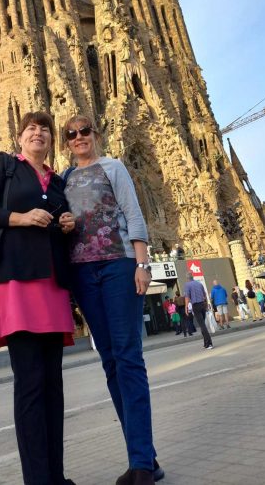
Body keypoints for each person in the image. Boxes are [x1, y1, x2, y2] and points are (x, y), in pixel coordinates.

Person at [0, 111, 77, 485]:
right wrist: (22, 217)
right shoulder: (5, 166)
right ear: (20, 137)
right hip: (17, 285)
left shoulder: (58, 181)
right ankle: (37, 479)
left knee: (53, 387)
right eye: (31, 128)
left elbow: (61, 225)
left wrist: (67, 223)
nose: (38, 133)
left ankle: (56, 476)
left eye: (45, 129)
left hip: (53, 287)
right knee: (30, 386)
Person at [62, 114, 163, 485]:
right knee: (110, 363)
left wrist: (142, 264)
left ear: (95, 134)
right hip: (83, 274)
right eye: (71, 134)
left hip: (119, 265)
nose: (79, 137)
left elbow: (133, 214)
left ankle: (141, 464)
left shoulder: (113, 167)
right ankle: (145, 456)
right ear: (66, 142)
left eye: (84, 131)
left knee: (128, 358)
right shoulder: (63, 178)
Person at [184, 272, 213, 350]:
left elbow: (187, 297)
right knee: (202, 324)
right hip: (202, 304)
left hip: (196, 305)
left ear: (187, 278)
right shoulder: (199, 284)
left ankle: (209, 343)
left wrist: (186, 307)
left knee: (202, 325)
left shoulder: (187, 285)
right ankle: (206, 343)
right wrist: (207, 304)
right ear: (192, 277)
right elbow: (205, 295)